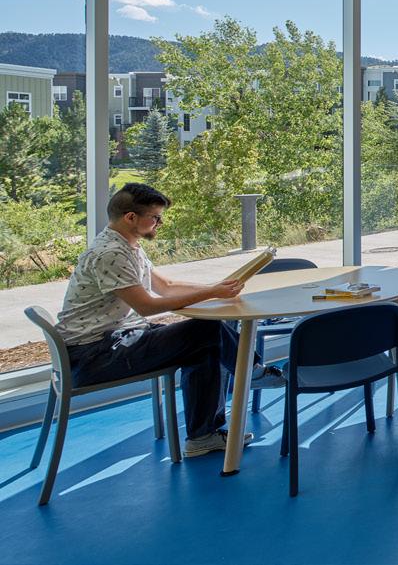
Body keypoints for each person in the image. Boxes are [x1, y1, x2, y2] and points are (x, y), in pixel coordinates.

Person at [55, 183, 282, 458]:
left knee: (204, 345)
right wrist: (211, 293)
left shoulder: (128, 246)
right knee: (206, 331)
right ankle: (251, 373)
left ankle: (203, 436)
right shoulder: (110, 254)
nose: (159, 223)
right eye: (155, 217)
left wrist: (215, 288)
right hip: (93, 355)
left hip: (112, 340)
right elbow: (146, 306)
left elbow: (166, 287)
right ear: (130, 217)